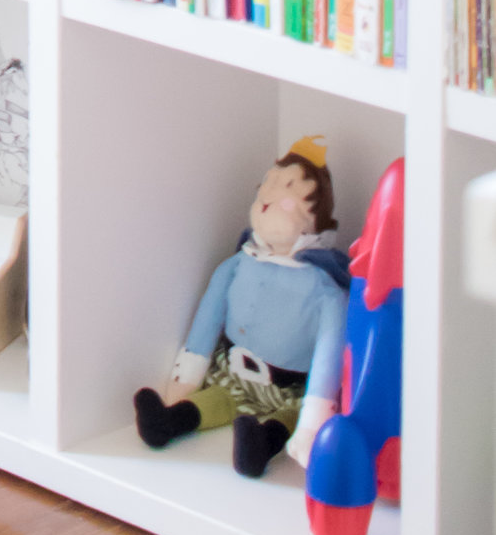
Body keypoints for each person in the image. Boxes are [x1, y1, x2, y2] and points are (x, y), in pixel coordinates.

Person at [134, 138, 350, 478]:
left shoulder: (326, 291)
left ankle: (260, 446)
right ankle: (168, 422)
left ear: (314, 214)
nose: (267, 199)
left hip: (289, 390)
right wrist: (188, 376)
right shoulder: (239, 263)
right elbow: (208, 317)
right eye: (267, 186)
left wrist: (314, 419)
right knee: (216, 398)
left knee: (285, 419)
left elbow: (329, 355)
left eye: (286, 191)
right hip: (233, 373)